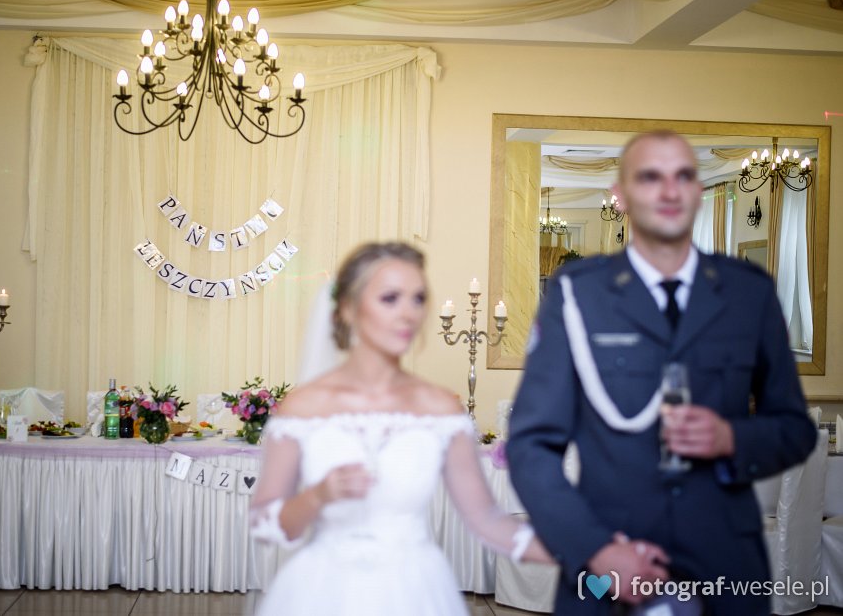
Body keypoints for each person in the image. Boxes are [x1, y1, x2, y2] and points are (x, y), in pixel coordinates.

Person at [506, 130, 817, 615]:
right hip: (607, 556)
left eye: (683, 176)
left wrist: (731, 438)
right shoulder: (579, 294)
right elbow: (531, 446)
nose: (669, 191)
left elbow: (796, 429)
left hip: (724, 562)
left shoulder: (747, 293)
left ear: (698, 190)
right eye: (650, 177)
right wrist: (594, 548)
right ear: (622, 195)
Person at [249, 242, 556, 616]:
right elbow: (264, 525)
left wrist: (588, 552)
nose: (409, 313)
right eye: (390, 298)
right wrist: (317, 496)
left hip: (415, 590)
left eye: (418, 299)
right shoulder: (304, 407)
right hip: (323, 591)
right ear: (347, 308)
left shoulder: (440, 408)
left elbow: (487, 520)